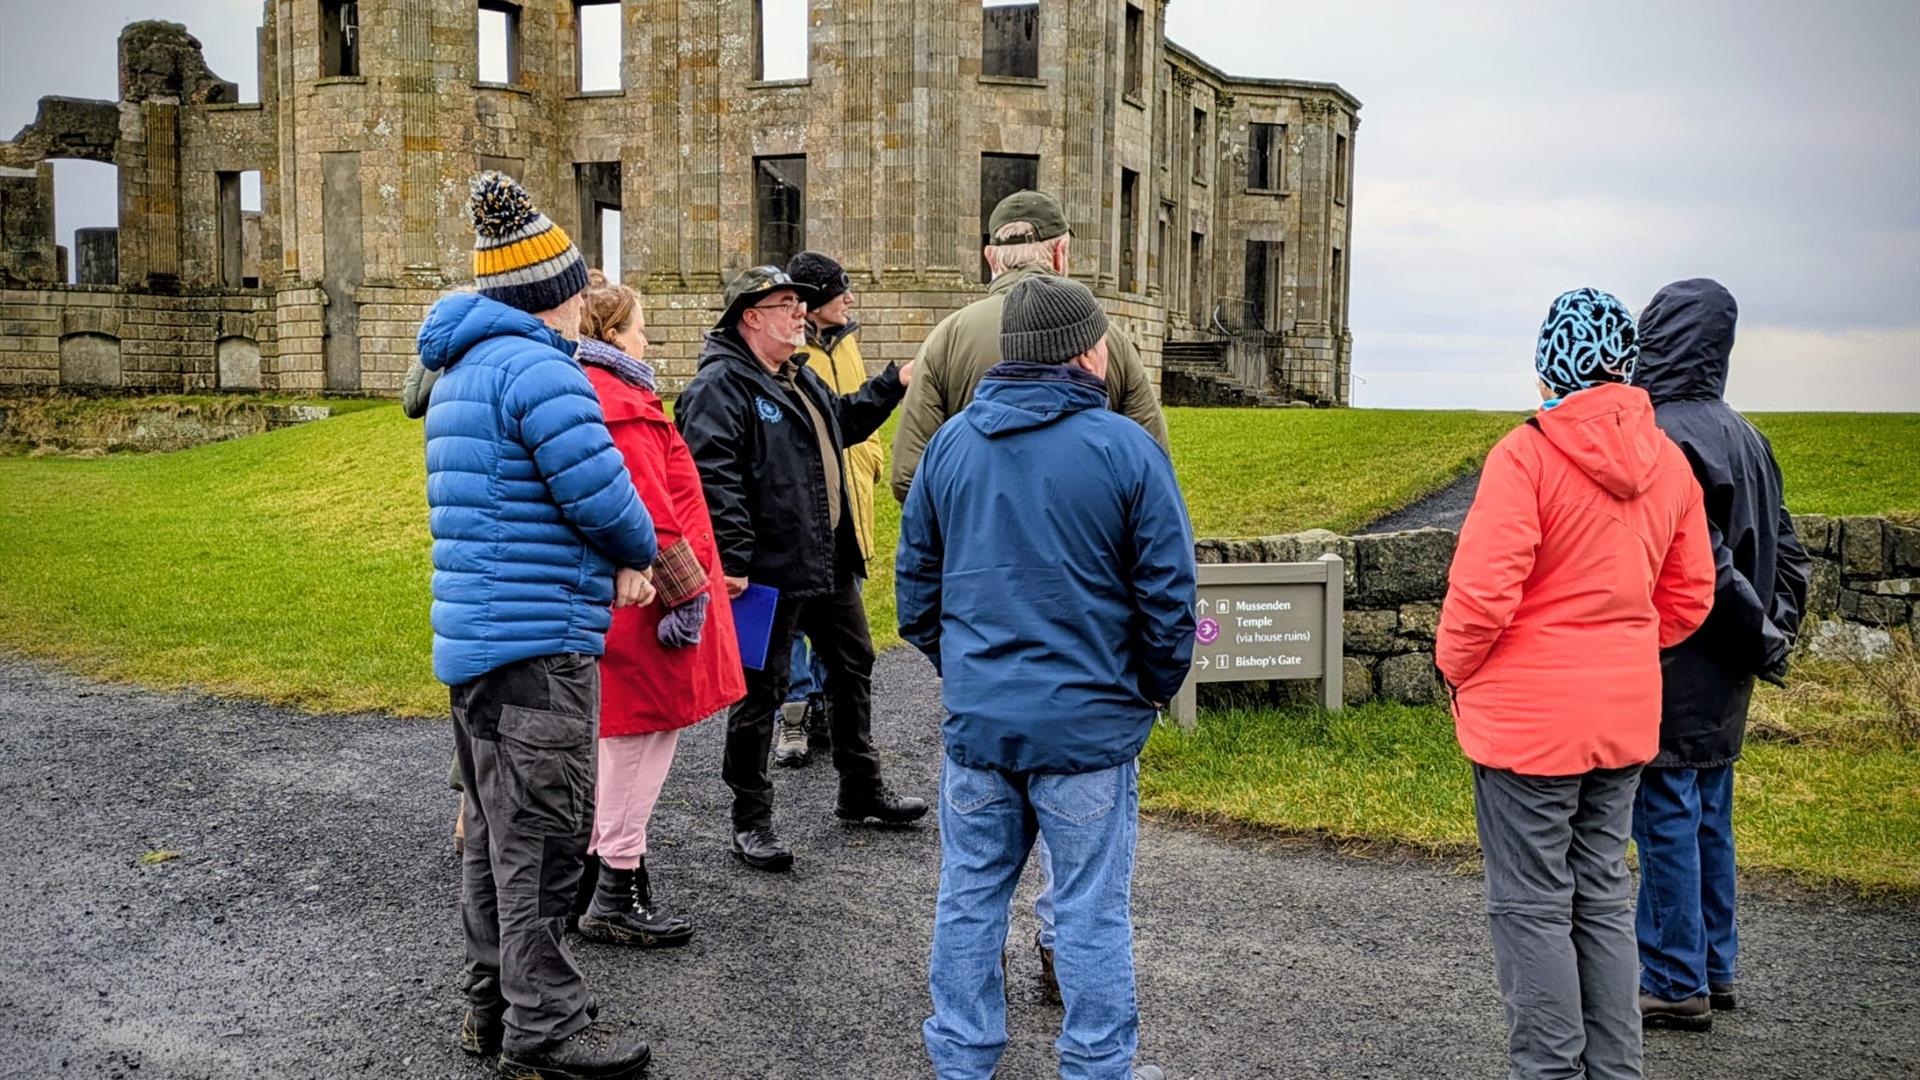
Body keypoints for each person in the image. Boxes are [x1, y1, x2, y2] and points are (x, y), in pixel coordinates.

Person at [898, 274, 1194, 1080]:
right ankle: (1098, 1065)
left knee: (969, 896)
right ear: (1083, 350)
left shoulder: (951, 445)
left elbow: (915, 589)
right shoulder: (1126, 447)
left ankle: (962, 1057)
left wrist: (963, 672)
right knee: (1092, 907)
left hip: (984, 722)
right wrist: (1151, 687)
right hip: (1090, 728)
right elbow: (1170, 596)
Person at [1437, 287, 1716, 1080]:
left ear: (1549, 367)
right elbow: (1691, 595)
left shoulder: (1525, 455)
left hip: (1526, 726)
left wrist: (1455, 667)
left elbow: (1483, 594)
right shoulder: (1669, 462)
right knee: (1600, 896)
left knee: (1529, 905)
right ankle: (1615, 1071)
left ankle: (1550, 1071)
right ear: (1626, 364)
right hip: (1623, 720)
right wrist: (1627, 648)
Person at [420, 171, 659, 1079]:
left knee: (491, 837)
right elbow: (602, 492)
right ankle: (546, 1030)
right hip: (539, 650)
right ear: (556, 293)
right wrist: (634, 557)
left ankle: (493, 1007)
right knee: (548, 846)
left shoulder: (463, 370)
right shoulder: (537, 369)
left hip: (477, 646)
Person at [675, 265, 928, 873]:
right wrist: (733, 561)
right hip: (765, 571)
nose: (800, 313)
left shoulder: (798, 377)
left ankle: (860, 788)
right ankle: (751, 819)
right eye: (787, 304)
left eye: (800, 303)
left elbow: (841, 423)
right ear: (750, 317)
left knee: (852, 665)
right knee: (761, 692)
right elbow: (714, 482)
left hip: (825, 559)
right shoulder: (721, 388)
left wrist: (893, 381)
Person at [1630, 278, 1811, 1031]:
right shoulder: (1747, 435)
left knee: (1669, 812)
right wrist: (1775, 633)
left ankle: (1675, 979)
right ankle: (1714, 965)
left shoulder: (1663, 435)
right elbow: (1792, 556)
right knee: (1709, 813)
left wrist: (1759, 636)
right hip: (1731, 670)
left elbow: (1698, 563)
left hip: (1677, 662)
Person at [570, 270, 746, 948]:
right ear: (613, 335)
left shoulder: (600, 394)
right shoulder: (625, 403)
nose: (649, 341)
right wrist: (688, 595)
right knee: (639, 745)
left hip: (627, 604)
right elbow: (650, 511)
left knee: (622, 742)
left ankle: (599, 878)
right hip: (650, 609)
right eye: (641, 328)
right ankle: (615, 886)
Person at [890, 189, 1169, 503]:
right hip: (1087, 541)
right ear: (1060, 253)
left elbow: (909, 474)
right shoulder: (1106, 338)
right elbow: (1152, 462)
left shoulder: (946, 337)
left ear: (990, 257)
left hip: (976, 545)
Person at [771, 251, 881, 769]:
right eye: (842, 291)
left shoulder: (847, 341)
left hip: (848, 505)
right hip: (801, 513)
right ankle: (793, 715)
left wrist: (873, 458)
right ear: (815, 303)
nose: (851, 299)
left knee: (846, 636)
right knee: (791, 625)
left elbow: (852, 413)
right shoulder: (789, 356)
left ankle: (828, 720)